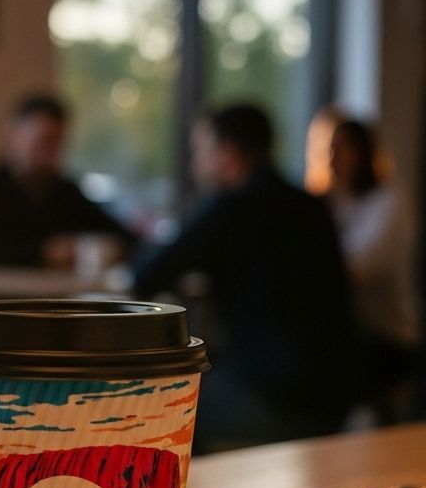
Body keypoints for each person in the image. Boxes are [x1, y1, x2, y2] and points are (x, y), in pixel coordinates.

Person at [133, 103, 354, 453]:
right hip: (338, 396)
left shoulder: (233, 207)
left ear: (227, 154)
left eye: (201, 152)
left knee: (149, 407)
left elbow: (146, 272)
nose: (195, 165)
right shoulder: (309, 204)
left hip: (279, 400)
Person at [0, 92, 135, 275]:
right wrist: (43, 253)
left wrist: (106, 249)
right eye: (44, 141)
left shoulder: (66, 193)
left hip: (54, 301)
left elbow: (124, 238)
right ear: (13, 134)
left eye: (58, 143)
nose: (50, 153)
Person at [325, 118, 421, 416]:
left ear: (364, 153)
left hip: (385, 336)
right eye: (332, 150)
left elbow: (358, 270)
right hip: (354, 336)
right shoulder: (336, 205)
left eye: (342, 149)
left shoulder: (390, 203)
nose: (333, 159)